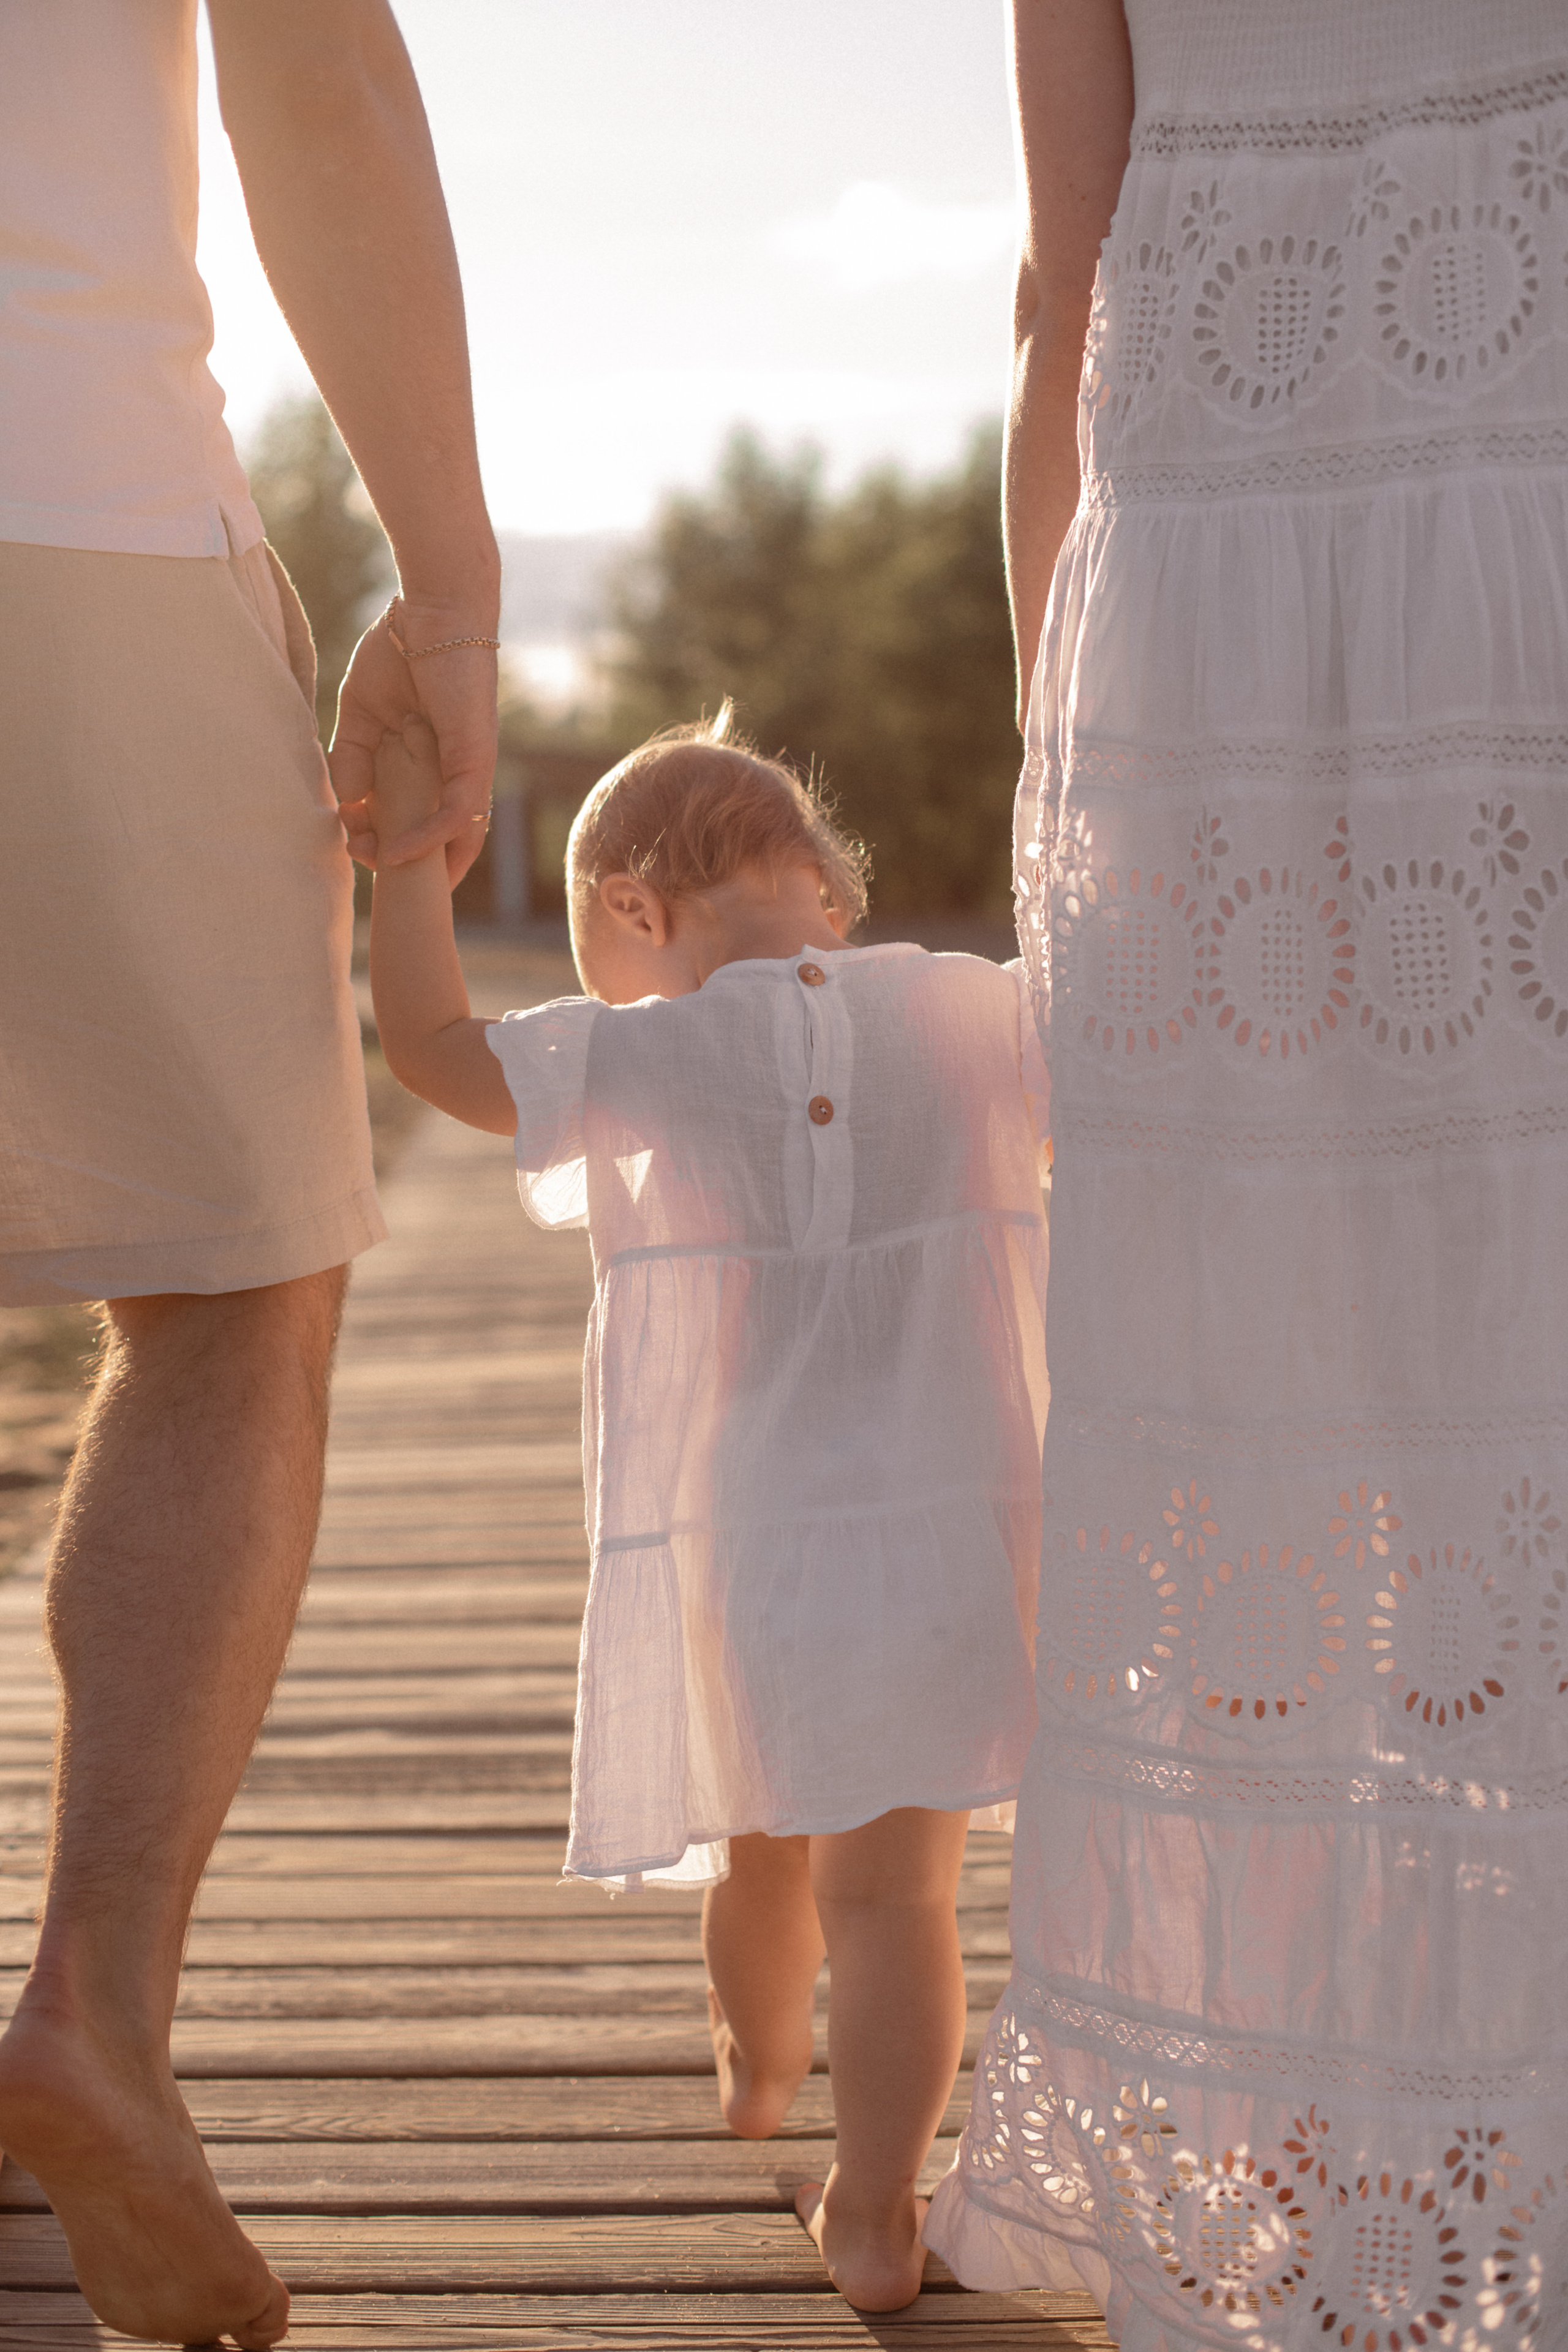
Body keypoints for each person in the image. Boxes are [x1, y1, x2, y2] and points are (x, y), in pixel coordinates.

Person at [922, 0, 1568, 2342]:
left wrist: (1053, 787)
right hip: (1525, 474)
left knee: (1277, 1392)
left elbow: (1054, 292)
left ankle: (1307, 2153)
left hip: (1204, 581)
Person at [0, 5, 499, 2344]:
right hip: (71, 490)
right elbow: (311, 63)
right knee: (228, 1285)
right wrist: (451, 578)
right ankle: (97, 2005)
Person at [361, 710, 1051, 2310]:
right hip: (965, 1517)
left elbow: (436, 1054)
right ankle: (879, 2211)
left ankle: (755, 2066)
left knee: (764, 1843)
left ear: (631, 915)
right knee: (902, 1898)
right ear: (823, 881)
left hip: (764, 1522)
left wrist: (409, 873)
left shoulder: (657, 1047)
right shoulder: (974, 1011)